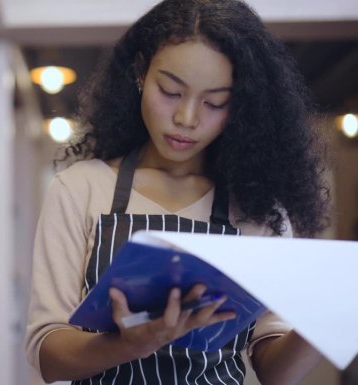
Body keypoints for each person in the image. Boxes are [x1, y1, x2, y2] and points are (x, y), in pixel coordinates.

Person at [25, 1, 331, 384]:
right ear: (140, 72)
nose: (187, 118)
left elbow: (275, 372)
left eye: (215, 101)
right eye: (171, 91)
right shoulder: (81, 189)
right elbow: (48, 354)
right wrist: (128, 345)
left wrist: (331, 313)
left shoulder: (258, 211)